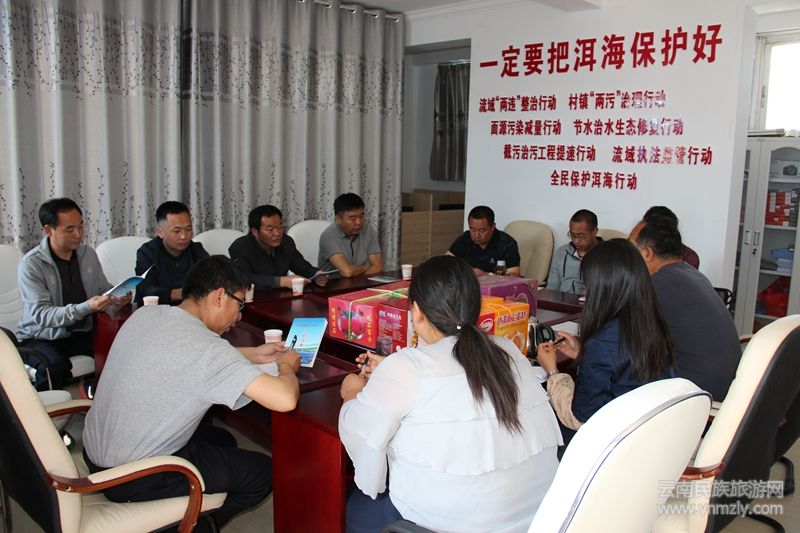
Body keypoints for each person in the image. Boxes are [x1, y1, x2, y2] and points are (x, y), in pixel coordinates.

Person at [339, 255, 561, 533]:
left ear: (417, 311)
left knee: (357, 507)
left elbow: (361, 433)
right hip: (536, 518)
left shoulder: (406, 367)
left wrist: (352, 393)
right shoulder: (507, 349)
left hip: (447, 525)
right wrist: (391, 373)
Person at [83, 256, 301, 531]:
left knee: (223, 439)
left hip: (95, 454)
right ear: (219, 297)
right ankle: (199, 526)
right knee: (263, 473)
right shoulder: (206, 348)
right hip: (134, 476)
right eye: (240, 305)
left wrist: (253, 354)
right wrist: (286, 366)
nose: (239, 316)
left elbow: (184, 354)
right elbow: (285, 399)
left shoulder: (147, 314)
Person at [537, 239, 674, 444]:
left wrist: (552, 372)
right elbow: (625, 368)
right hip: (649, 432)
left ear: (602, 288)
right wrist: (583, 355)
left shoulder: (602, 342)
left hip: (612, 442)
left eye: (587, 286)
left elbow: (579, 417)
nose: (585, 293)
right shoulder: (650, 322)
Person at [16, 198, 131, 390]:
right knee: (54, 368)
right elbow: (41, 315)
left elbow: (102, 290)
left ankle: (99, 396)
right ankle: (45, 406)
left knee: (123, 350)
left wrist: (116, 296)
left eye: (80, 226)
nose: (78, 234)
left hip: (81, 331)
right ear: (49, 230)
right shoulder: (32, 265)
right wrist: (87, 307)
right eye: (69, 229)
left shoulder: (87, 254)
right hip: (41, 336)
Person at [630, 215, 740, 401]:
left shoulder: (658, 283)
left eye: (631, 248)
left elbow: (626, 340)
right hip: (726, 386)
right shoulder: (691, 273)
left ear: (647, 253)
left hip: (699, 394)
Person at [229, 205, 329, 290]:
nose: (277, 233)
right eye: (270, 229)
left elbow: (302, 267)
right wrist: (281, 281)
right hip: (255, 299)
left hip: (281, 297)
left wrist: (317, 274)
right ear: (255, 232)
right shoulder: (239, 248)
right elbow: (244, 279)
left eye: (280, 227)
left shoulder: (286, 242)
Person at [135, 201, 209, 305]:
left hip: (191, 309)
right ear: (160, 232)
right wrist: (183, 293)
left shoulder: (196, 250)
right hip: (156, 311)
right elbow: (147, 290)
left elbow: (212, 279)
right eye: (177, 231)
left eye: (188, 229)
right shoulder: (147, 253)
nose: (184, 236)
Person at [318, 193, 383, 278]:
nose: (358, 222)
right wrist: (366, 267)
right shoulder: (328, 236)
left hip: (361, 282)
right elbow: (347, 272)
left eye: (361, 216)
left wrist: (360, 283)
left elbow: (378, 266)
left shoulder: (368, 229)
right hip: (334, 284)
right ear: (338, 219)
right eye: (352, 218)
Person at [446, 205, 521, 276]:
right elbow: (446, 261)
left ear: (492, 227)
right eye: (472, 229)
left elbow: (514, 274)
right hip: (467, 283)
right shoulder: (465, 238)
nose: (476, 235)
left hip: (494, 284)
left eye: (482, 230)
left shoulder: (507, 243)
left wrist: (486, 275)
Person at [546, 209, 601, 293]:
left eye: (581, 236)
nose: (576, 241)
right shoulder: (562, 252)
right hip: (561, 300)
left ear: (594, 232)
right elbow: (551, 288)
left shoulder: (606, 255)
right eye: (572, 235)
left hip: (589, 301)